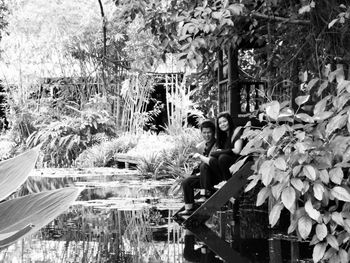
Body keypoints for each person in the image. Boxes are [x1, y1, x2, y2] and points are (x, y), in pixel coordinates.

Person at [196, 111, 245, 202]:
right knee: (206, 164)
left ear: (229, 121)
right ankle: (205, 194)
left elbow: (237, 150)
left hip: (237, 161)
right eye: (220, 123)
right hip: (225, 165)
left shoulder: (237, 131)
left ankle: (226, 182)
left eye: (224, 121)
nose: (222, 124)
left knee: (222, 157)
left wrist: (221, 151)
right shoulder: (223, 136)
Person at [178, 119, 217, 216]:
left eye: (209, 132)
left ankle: (205, 194)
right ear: (201, 133)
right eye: (204, 133)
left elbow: (211, 162)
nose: (207, 135)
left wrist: (199, 157)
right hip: (205, 177)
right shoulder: (203, 145)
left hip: (216, 177)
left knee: (204, 165)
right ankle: (189, 208)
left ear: (213, 133)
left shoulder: (217, 144)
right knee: (186, 182)